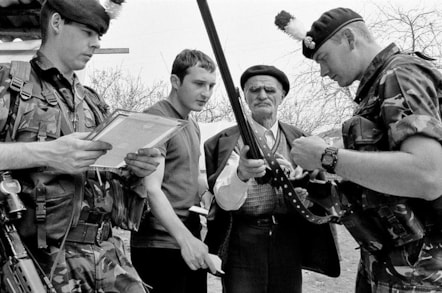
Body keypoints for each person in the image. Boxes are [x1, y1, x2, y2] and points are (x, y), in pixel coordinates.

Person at [0, 0, 161, 292]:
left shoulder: (94, 103)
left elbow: (114, 186)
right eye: (88, 32)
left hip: (108, 257)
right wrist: (48, 153)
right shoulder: (10, 83)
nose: (96, 43)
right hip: (40, 263)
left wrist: (137, 168)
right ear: (57, 23)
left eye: (99, 36)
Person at [283, 7, 442, 292]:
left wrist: (327, 156)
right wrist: (321, 185)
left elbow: (428, 176)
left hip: (420, 274)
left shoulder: (401, 74)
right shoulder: (378, 87)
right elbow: (384, 190)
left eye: (323, 58)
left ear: (349, 38)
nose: (322, 72)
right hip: (390, 263)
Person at [204, 64, 340, 293]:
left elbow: (322, 198)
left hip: (289, 240)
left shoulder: (302, 140)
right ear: (244, 97)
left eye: (269, 89)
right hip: (243, 241)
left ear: (282, 95)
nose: (262, 95)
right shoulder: (224, 141)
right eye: (254, 90)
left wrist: (301, 189)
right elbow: (225, 201)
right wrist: (242, 173)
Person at [130, 49, 218, 293]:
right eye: (199, 84)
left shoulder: (192, 124)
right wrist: (185, 240)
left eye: (211, 86)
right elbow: (152, 189)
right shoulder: (155, 119)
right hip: (159, 242)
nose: (206, 93)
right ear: (175, 81)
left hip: (189, 234)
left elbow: (190, 178)